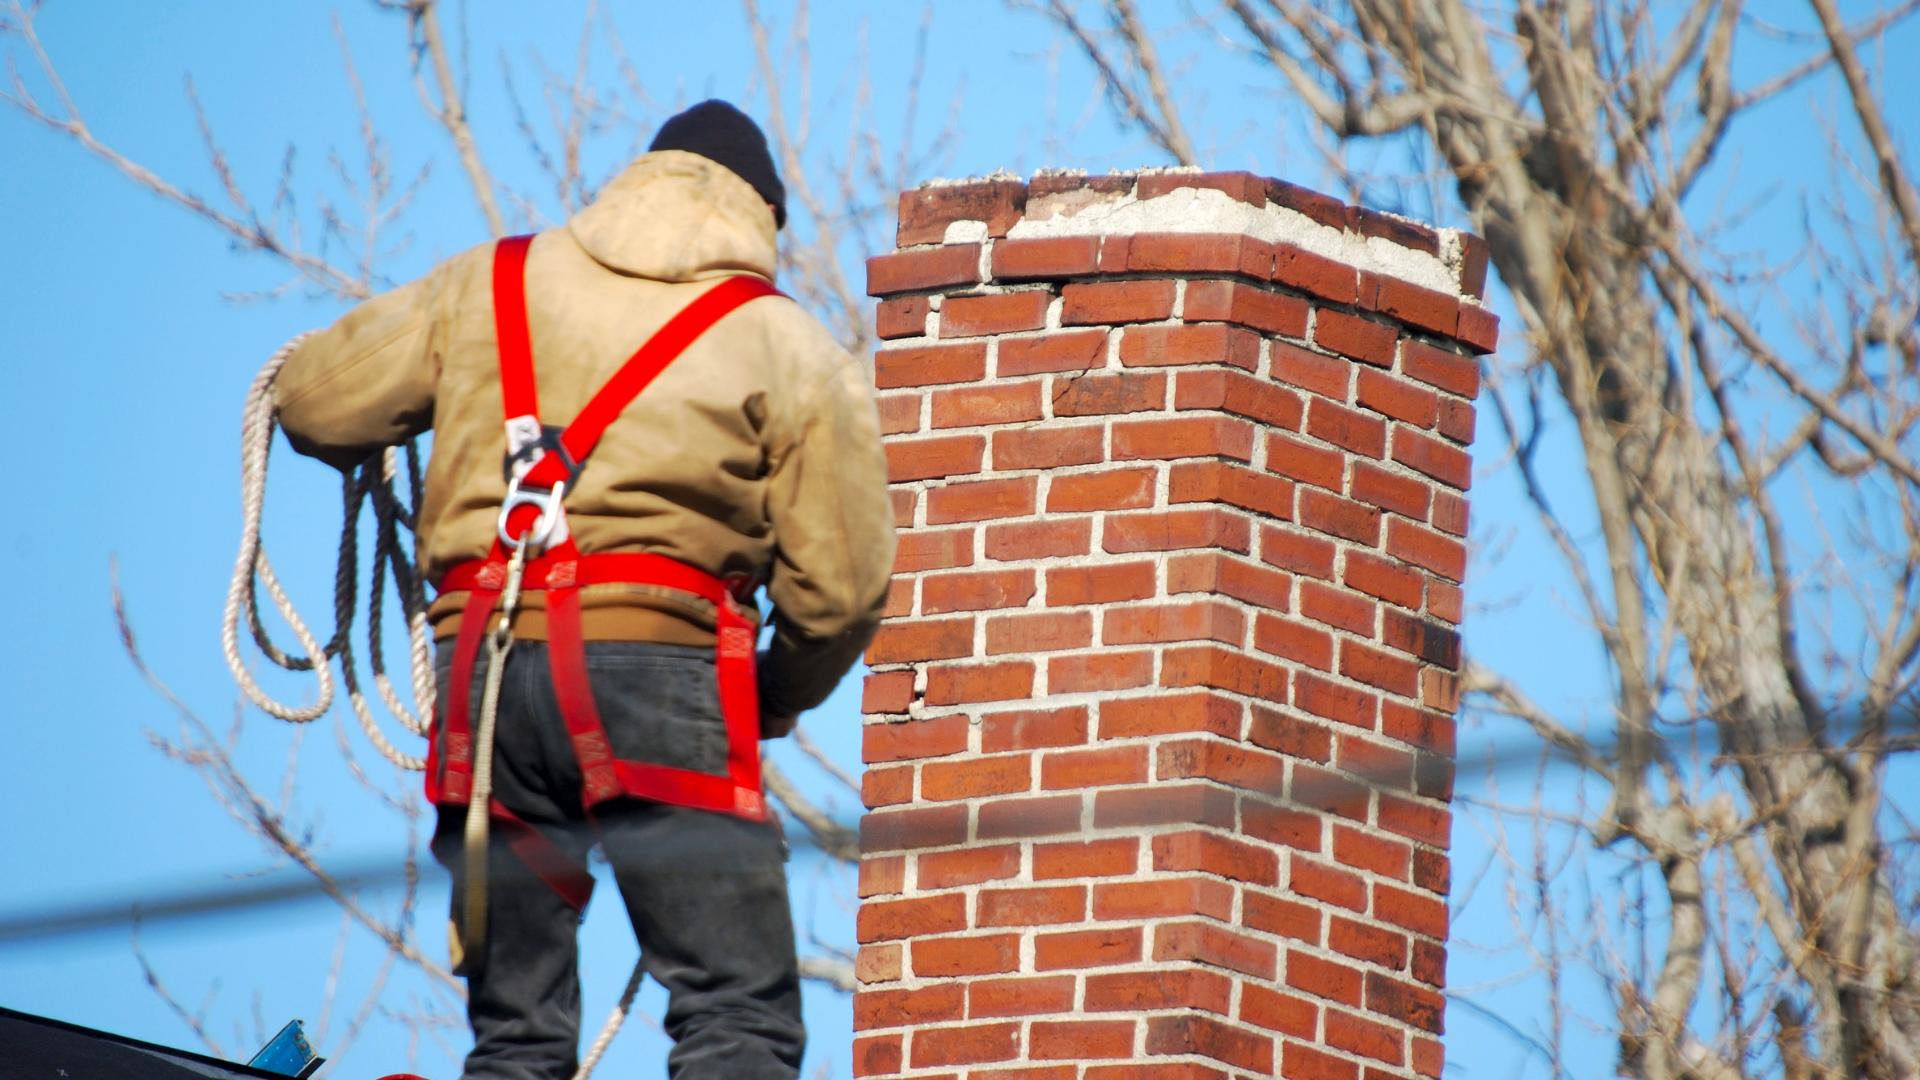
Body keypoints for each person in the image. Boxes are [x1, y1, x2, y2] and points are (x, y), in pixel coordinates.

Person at [271, 100, 896, 1080]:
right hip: (660, 674)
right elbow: (843, 593)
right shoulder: (789, 346)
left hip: (484, 682)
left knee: (516, 1037)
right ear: (763, 221)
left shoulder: (487, 282)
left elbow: (311, 401)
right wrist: (772, 696)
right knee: (736, 1012)